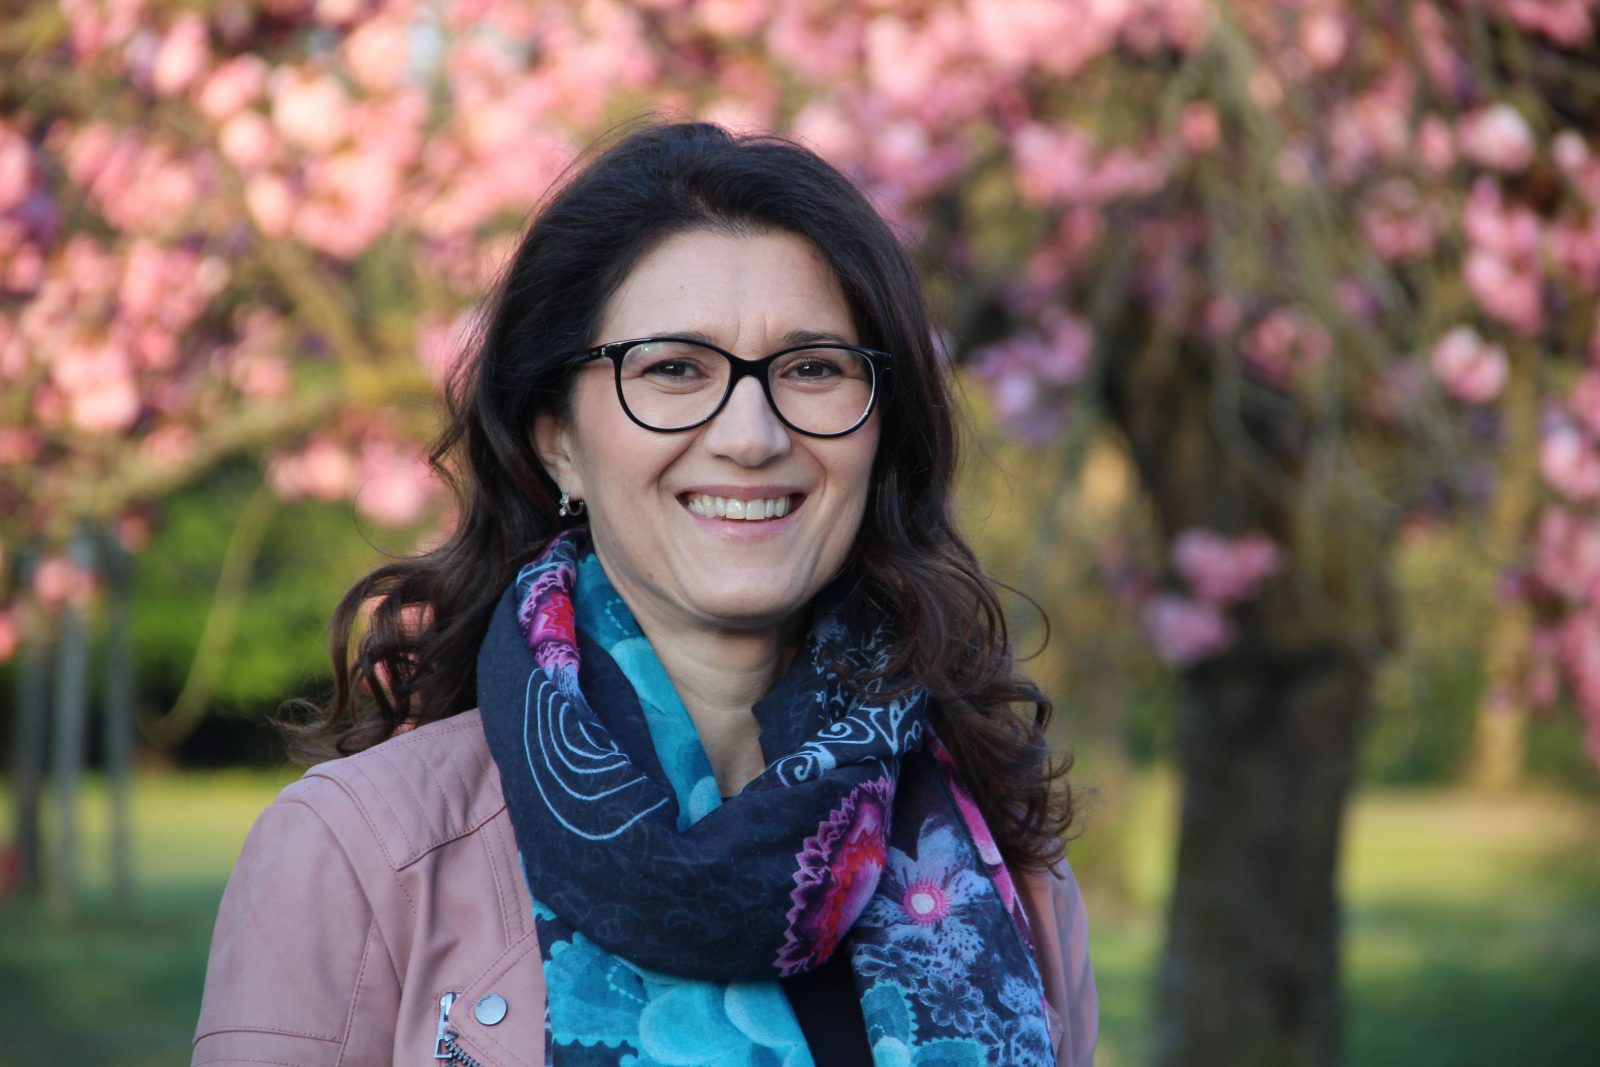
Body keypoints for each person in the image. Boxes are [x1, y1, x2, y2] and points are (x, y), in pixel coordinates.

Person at [194, 122, 1096, 1067]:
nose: (751, 435)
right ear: (558, 440)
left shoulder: (1011, 871)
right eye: (673, 369)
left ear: (881, 430)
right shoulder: (360, 854)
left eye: (813, 369)